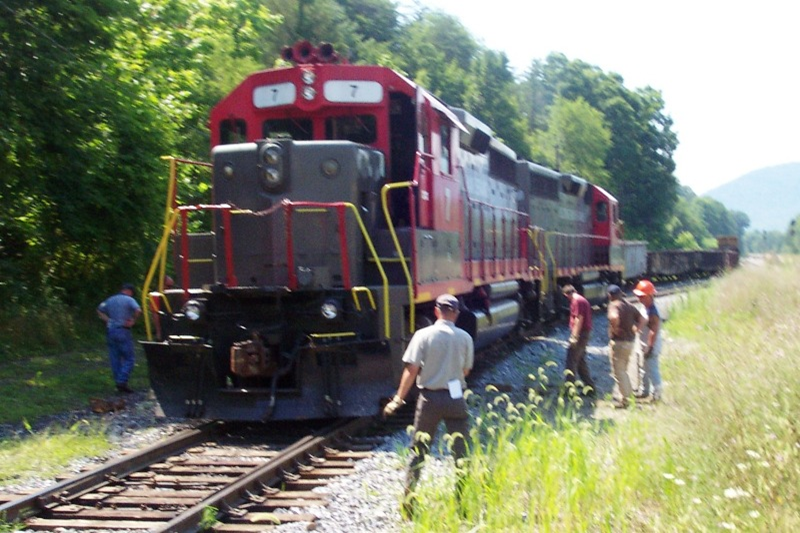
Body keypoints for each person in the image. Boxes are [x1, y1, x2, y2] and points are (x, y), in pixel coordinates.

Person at [382, 293, 474, 519]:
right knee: (461, 452)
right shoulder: (465, 337)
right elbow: (465, 371)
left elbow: (411, 370)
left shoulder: (422, 335)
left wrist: (398, 399)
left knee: (418, 452)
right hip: (455, 398)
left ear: (436, 311)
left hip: (429, 400)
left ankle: (408, 506)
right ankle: (463, 506)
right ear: (456, 313)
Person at [97, 283, 142, 393]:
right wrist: (132, 320)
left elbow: (99, 310)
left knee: (115, 359)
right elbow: (138, 310)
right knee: (129, 358)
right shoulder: (129, 299)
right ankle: (122, 381)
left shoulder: (110, 299)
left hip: (111, 331)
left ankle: (119, 384)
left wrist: (107, 320)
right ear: (129, 291)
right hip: (123, 330)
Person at [606, 284, 640, 408]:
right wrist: (636, 330)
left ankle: (627, 401)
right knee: (623, 371)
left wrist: (615, 328)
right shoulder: (629, 305)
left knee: (619, 372)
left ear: (610, 295)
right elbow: (642, 319)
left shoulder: (614, 305)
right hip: (630, 342)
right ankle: (628, 397)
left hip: (619, 343)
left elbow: (614, 317)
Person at [561, 284, 596, 395]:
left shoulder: (576, 301)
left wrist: (574, 337)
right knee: (580, 362)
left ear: (566, 295)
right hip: (584, 333)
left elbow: (578, 319)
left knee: (571, 361)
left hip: (581, 334)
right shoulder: (581, 299)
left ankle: (569, 390)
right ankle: (590, 389)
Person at [633, 279, 663, 401]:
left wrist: (650, 347)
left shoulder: (653, 312)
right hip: (644, 344)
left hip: (651, 345)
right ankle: (644, 391)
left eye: (642, 296)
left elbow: (653, 331)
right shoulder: (645, 308)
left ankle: (657, 394)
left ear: (650, 296)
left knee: (652, 369)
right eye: (638, 296)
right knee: (643, 369)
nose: (639, 299)